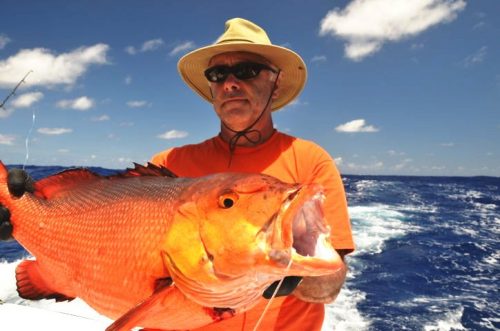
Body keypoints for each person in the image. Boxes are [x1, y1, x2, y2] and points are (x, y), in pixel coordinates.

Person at [151, 18, 354, 330]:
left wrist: (276, 268)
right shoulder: (168, 166)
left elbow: (329, 286)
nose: (230, 83)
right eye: (217, 74)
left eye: (246, 70)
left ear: (275, 83)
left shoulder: (310, 163)